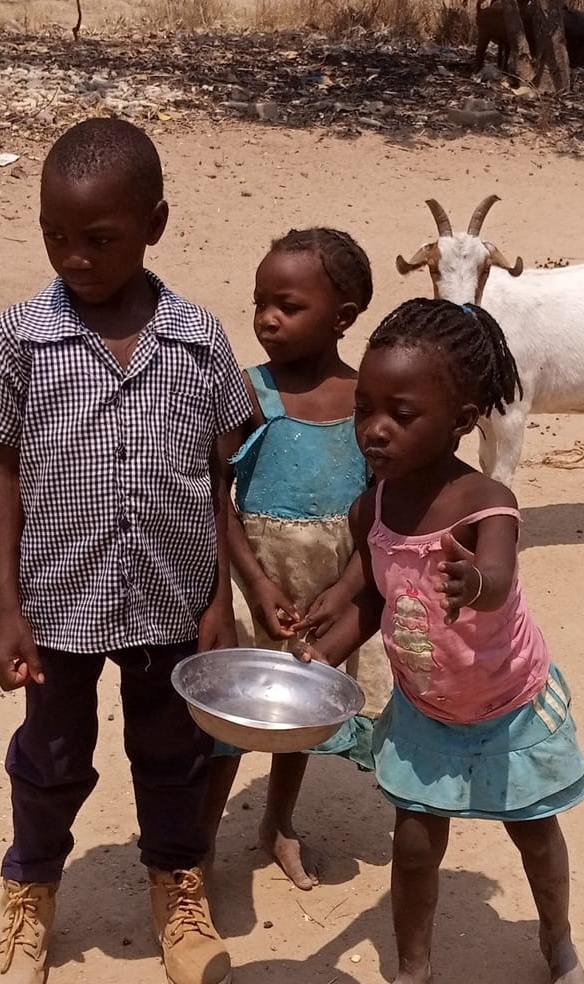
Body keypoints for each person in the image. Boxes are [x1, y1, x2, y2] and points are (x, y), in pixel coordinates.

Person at [0, 116, 248, 984]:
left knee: (172, 753)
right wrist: (6, 607)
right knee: (48, 756)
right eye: (55, 236)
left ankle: (177, 885)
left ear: (156, 224)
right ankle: (30, 894)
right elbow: (2, 466)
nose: (74, 257)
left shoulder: (198, 339)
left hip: (170, 596)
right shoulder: (22, 338)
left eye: (100, 239)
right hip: (58, 603)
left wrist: (219, 596)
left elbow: (218, 473)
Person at [292, 298, 584, 984]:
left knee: (534, 833)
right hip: (429, 707)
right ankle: (415, 975)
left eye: (401, 413)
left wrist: (474, 586)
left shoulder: (485, 503)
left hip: (505, 706)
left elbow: (494, 574)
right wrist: (314, 656)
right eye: (365, 408)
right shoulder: (377, 500)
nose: (375, 428)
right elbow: (370, 590)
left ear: (462, 419)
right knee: (416, 844)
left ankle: (557, 943)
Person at [202, 227, 393, 891]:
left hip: (325, 591)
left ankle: (277, 822)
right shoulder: (249, 393)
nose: (266, 319)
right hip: (261, 581)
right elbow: (214, 494)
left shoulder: (367, 397)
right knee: (229, 723)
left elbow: (379, 501)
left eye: (287, 305)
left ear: (342, 318)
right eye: (260, 302)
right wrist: (251, 583)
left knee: (299, 713)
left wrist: (346, 589)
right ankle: (194, 852)